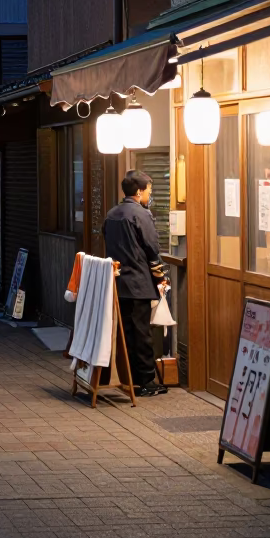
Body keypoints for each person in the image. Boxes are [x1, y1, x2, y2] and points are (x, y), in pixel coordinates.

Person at [102, 169, 167, 397]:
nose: (150, 195)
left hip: (118, 282)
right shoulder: (141, 214)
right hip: (139, 283)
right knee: (142, 334)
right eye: (148, 190)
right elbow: (152, 248)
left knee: (126, 332)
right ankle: (145, 382)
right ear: (139, 191)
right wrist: (160, 276)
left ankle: (128, 377)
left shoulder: (111, 214)